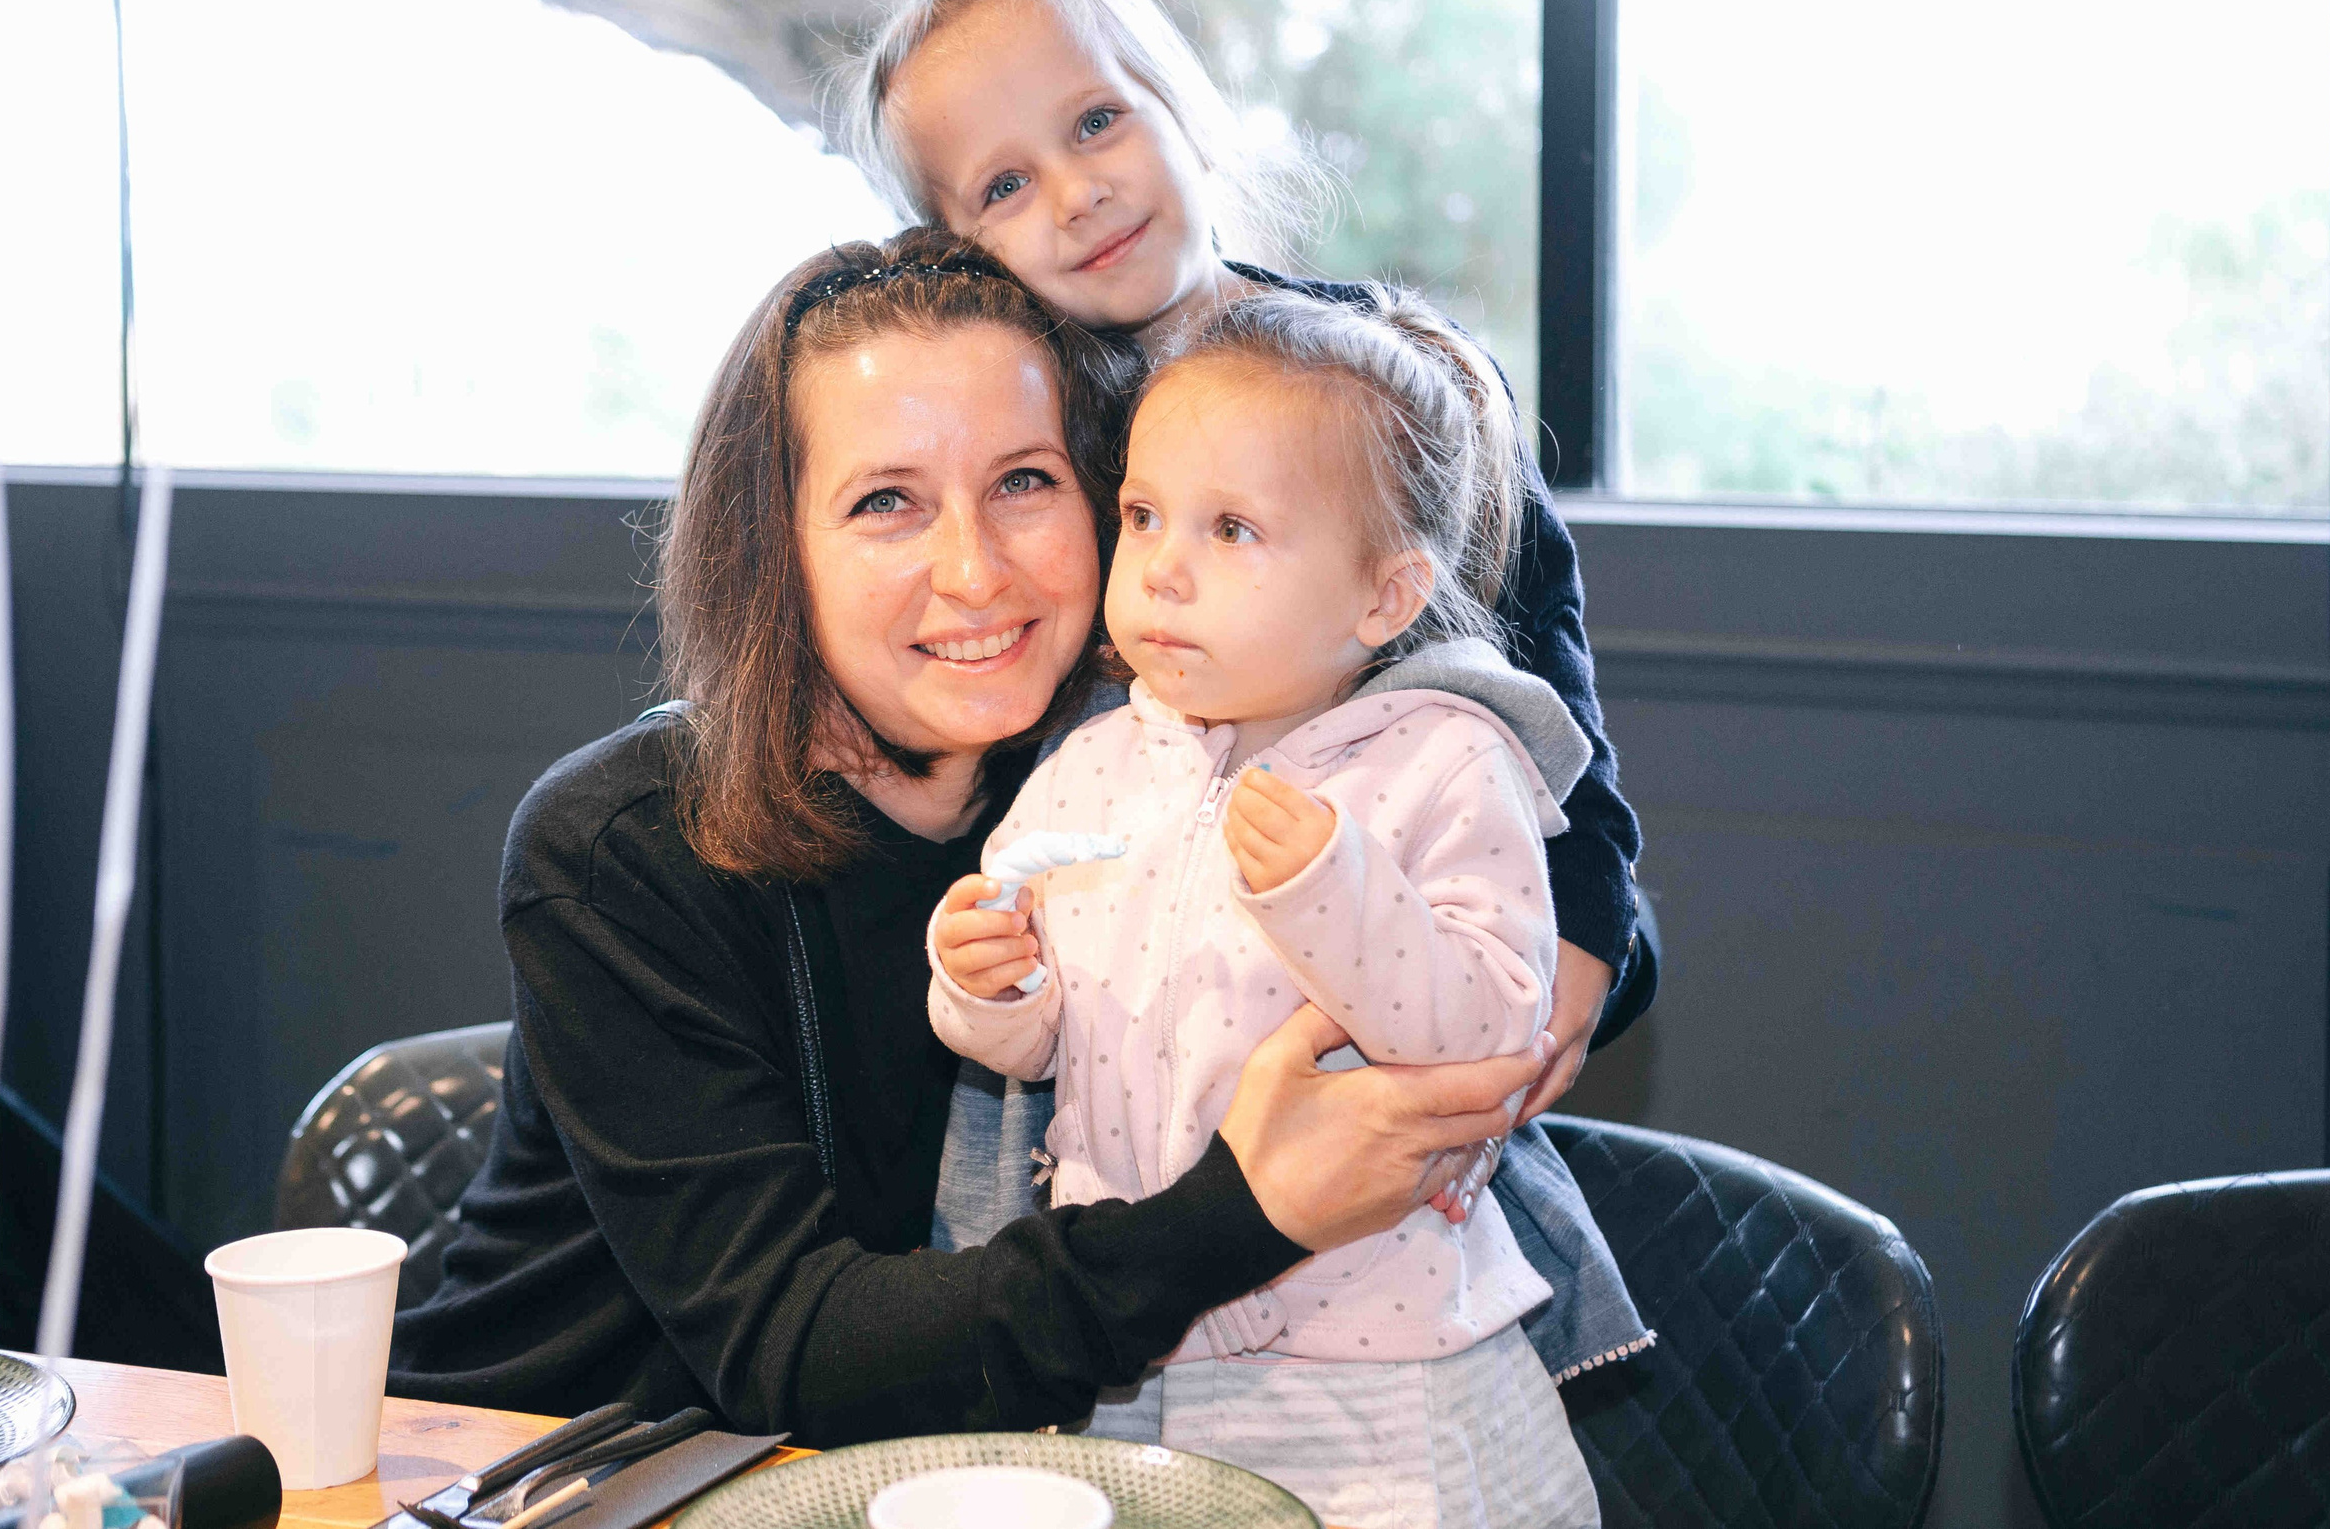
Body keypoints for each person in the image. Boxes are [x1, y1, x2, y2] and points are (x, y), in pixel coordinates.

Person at [385, 230, 1556, 1442]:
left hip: (934, 1465)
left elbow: (1378, 513)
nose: (974, 569)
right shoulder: (619, 848)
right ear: (774, 547)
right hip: (544, 1462)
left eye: (1023, 482)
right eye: (886, 502)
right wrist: (1249, 1206)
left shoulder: (1134, 780)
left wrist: (1580, 921)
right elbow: (794, 1348)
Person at [847, 0, 1653, 1383]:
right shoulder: (1034, 447)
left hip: (1377, 991)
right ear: (957, 251)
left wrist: (1590, 922)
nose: (1076, 192)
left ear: (1182, 103)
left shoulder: (1383, 378)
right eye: (1004, 184)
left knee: (1420, 1326)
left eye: (1097, 120)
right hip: (1117, 1048)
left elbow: (1545, 670)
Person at [928, 288, 1600, 1528]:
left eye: (1232, 528)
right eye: (1142, 515)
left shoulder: (1445, 763)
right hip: (1133, 1342)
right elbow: (1031, 1040)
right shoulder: (1092, 764)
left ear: (1385, 597)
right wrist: (986, 981)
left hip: (1370, 1367)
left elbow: (1490, 1038)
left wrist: (1334, 892)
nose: (1163, 567)